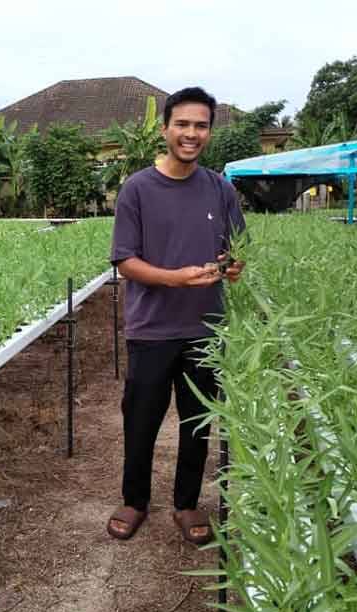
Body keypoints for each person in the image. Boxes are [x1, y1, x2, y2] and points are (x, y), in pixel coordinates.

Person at [106, 86, 245, 545]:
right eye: (182, 124)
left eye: (200, 125)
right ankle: (134, 499)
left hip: (204, 331)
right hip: (151, 329)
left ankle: (186, 504)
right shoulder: (138, 189)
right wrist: (175, 278)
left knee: (197, 422)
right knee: (141, 419)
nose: (191, 134)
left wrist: (233, 267)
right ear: (165, 129)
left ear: (209, 132)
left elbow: (234, 254)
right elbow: (125, 260)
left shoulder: (221, 190)